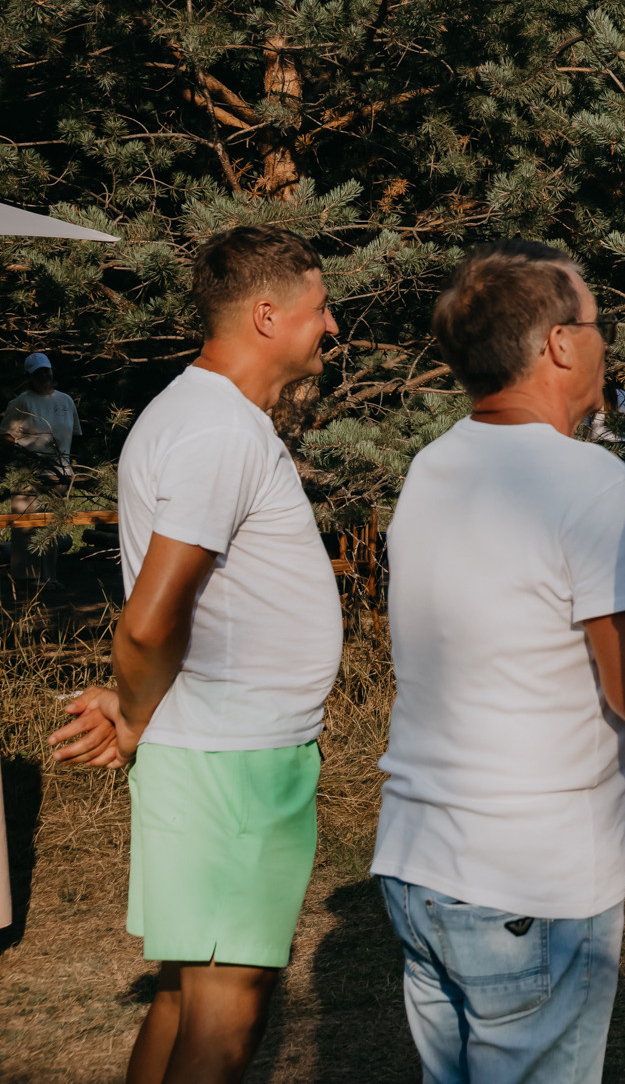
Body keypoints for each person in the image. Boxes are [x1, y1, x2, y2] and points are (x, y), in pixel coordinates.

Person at [47, 225, 342, 1084]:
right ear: (266, 315)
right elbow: (149, 620)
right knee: (227, 1016)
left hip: (221, 751)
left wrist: (141, 706)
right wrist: (134, 712)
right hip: (233, 763)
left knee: (185, 996)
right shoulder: (220, 431)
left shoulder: (203, 415)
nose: (331, 327)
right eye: (320, 308)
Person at [372, 241, 625, 1081]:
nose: (606, 345)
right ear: (560, 343)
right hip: (531, 873)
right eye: (598, 324)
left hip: (419, 855)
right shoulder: (591, 483)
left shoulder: (433, 465)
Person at [5, 351, 80, 582]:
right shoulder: (21, 402)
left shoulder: (66, 401)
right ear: (30, 375)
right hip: (28, 476)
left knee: (51, 528)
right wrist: (25, 459)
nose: (43, 376)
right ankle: (25, 580)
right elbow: (5, 436)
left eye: (46, 371)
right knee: (26, 528)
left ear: (51, 371)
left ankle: (49, 578)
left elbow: (75, 434)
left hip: (59, 475)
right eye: (38, 372)